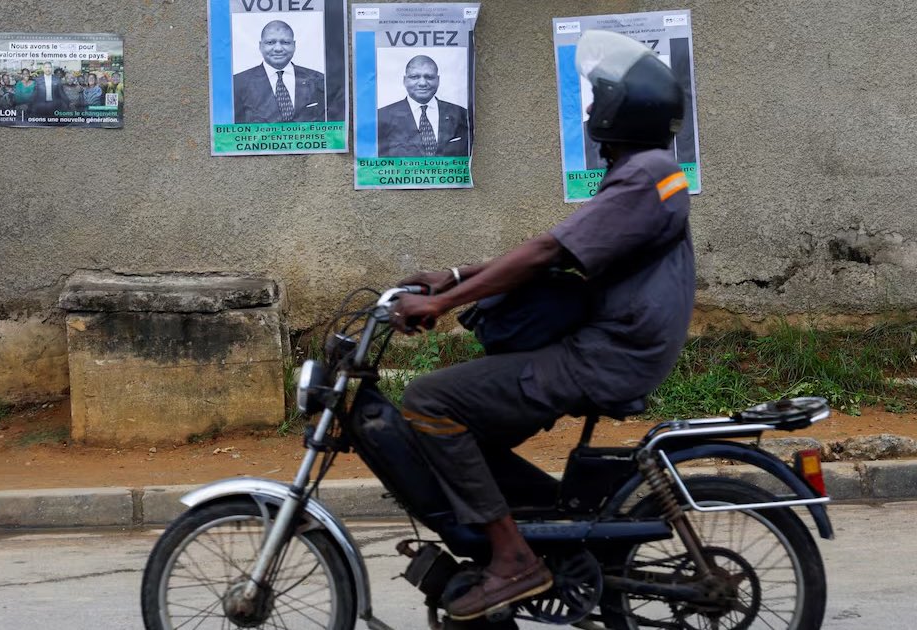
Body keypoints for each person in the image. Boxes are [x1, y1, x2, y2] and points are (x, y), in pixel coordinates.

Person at [387, 30, 693, 621]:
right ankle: (546, 527)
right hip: (610, 345)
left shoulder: (646, 178)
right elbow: (559, 251)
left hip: (607, 354)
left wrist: (442, 304)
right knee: (464, 421)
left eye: (599, 96)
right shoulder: (652, 172)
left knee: (429, 400)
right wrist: (450, 276)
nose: (590, 108)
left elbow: (546, 252)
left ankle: (514, 560)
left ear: (623, 109)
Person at [232, 20, 327, 123]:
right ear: (260, 46)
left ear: (294, 45)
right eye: (270, 42)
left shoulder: (319, 80)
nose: (278, 48)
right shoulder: (237, 83)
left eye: (285, 42)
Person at [377, 55, 470, 157]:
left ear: (438, 80)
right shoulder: (381, 117)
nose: (422, 83)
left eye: (429, 77)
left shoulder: (461, 114)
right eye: (414, 77)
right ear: (405, 80)